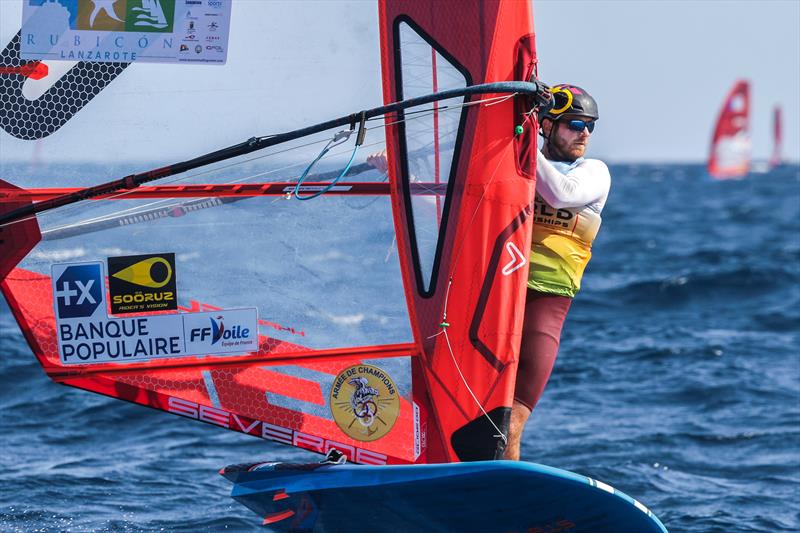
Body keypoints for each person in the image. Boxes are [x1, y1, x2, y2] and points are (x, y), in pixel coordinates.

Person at [504, 84, 612, 460]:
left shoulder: (593, 172)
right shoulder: (515, 166)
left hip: (547, 300)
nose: (585, 133)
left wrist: (516, 141)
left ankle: (503, 501)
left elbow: (562, 195)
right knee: (471, 410)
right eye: (575, 124)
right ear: (547, 127)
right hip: (499, 291)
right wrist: (404, 176)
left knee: (512, 419)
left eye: (590, 126)